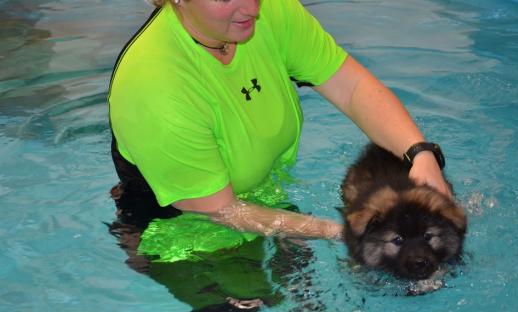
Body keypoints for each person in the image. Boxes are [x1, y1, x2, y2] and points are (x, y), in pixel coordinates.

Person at [108, 0, 451, 249]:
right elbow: (223, 212)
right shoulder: (156, 87)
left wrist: (420, 155)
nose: (252, 8)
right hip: (182, 230)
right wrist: (340, 231)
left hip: (264, 199)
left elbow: (353, 89)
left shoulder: (271, 10)